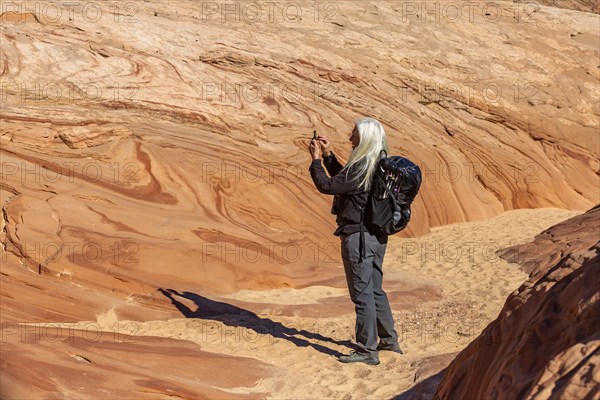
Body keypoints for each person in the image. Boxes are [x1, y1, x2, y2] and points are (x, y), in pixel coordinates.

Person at [308, 117, 403, 365]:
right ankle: (389, 341)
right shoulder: (378, 164)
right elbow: (346, 184)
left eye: (354, 134)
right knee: (374, 290)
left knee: (362, 296)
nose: (350, 137)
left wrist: (316, 160)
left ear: (364, 137)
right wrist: (329, 156)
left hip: (358, 238)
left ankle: (367, 351)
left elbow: (328, 186)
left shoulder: (361, 166)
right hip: (377, 238)